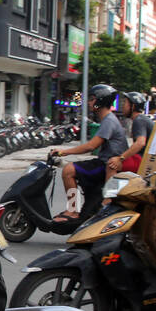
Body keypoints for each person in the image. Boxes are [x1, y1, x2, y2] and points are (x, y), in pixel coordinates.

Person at [48, 85, 127, 221]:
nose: (89, 103)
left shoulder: (109, 121)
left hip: (106, 165)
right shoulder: (108, 120)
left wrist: (63, 152)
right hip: (105, 163)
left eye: (92, 100)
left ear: (100, 101)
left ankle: (72, 211)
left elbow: (91, 146)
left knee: (68, 170)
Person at [112, 91, 153, 176]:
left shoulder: (139, 120)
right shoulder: (142, 119)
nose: (123, 106)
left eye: (125, 103)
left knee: (111, 165)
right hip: (148, 159)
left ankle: (110, 189)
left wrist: (121, 158)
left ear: (133, 106)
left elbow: (140, 143)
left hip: (144, 160)